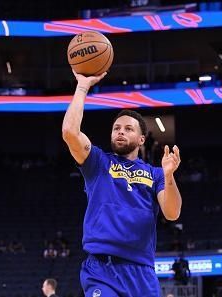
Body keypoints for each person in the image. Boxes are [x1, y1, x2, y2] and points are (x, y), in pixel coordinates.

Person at [62, 70, 182, 297]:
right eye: (116, 128)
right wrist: (82, 87)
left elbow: (172, 212)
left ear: (141, 139)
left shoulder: (155, 174)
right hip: (102, 268)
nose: (120, 132)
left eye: (128, 129)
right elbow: (69, 132)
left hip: (141, 271)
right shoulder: (97, 162)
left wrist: (169, 175)